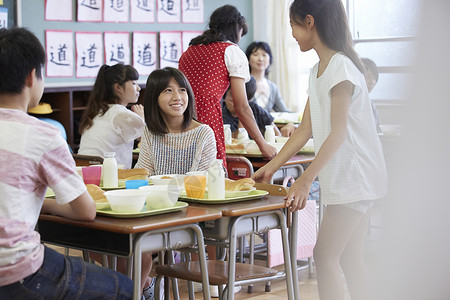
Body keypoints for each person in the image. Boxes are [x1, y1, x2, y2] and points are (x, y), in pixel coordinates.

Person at [251, 1, 388, 300]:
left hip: (357, 177)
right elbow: (304, 130)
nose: (293, 36)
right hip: (352, 179)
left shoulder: (340, 66)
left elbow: (338, 133)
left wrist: (305, 179)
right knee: (349, 260)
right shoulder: (318, 70)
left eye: (294, 28)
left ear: (310, 22)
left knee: (324, 256)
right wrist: (271, 167)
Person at [0, 27, 133, 299]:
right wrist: (47, 203)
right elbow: (86, 212)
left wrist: (37, 201)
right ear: (31, 77)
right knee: (124, 290)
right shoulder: (44, 135)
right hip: (16, 270)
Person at [178, 5, 277, 164]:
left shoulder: (189, 50)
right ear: (236, 28)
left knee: (186, 176)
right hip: (207, 118)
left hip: (180, 116)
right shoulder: (231, 51)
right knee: (213, 175)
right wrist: (263, 144)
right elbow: (242, 107)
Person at [135, 67, 217, 175]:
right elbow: (144, 175)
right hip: (155, 191)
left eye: (182, 90)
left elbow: (203, 180)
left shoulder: (204, 133)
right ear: (154, 97)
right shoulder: (150, 132)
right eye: (168, 90)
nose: (177, 97)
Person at [78, 64, 145, 169]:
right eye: (133, 83)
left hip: (84, 172)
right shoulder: (121, 114)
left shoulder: (97, 111)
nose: (139, 88)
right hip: (110, 177)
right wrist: (142, 119)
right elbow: (150, 140)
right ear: (118, 87)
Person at [245, 41, 296, 136]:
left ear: (269, 60)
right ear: (248, 59)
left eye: (264, 55)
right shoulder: (243, 83)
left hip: (269, 134)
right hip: (247, 133)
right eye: (255, 55)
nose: (260, 59)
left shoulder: (272, 87)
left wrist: (292, 122)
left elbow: (284, 111)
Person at [361, 57, 382, 133]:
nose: (372, 82)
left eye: (374, 78)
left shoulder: (370, 104)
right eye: (368, 77)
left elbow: (378, 130)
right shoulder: (349, 102)